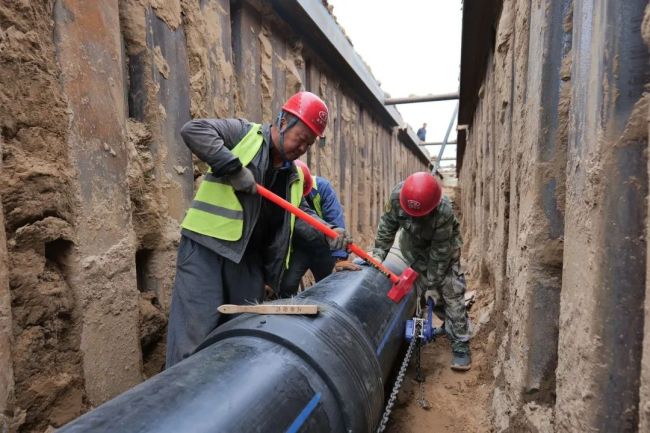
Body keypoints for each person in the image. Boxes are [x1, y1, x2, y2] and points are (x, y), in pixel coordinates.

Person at [165, 91, 350, 367]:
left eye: (310, 143)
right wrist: (233, 168)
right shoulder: (244, 135)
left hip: (248, 260)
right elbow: (194, 130)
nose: (303, 147)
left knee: (244, 336)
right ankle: (178, 398)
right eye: (302, 137)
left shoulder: (295, 176)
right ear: (285, 120)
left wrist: (331, 233)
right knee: (194, 339)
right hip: (207, 249)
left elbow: (303, 213)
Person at [371, 172, 471, 371]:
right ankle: (441, 325)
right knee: (421, 292)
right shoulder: (398, 196)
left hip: (443, 253)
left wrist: (433, 284)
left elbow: (440, 252)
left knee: (450, 292)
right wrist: (378, 254)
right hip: (414, 249)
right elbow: (387, 226)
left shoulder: (443, 211)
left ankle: (461, 343)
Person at [278, 162, 360, 297]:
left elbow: (335, 220)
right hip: (300, 247)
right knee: (287, 285)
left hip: (323, 246)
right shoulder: (287, 191)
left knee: (328, 286)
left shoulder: (323, 188)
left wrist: (340, 259)